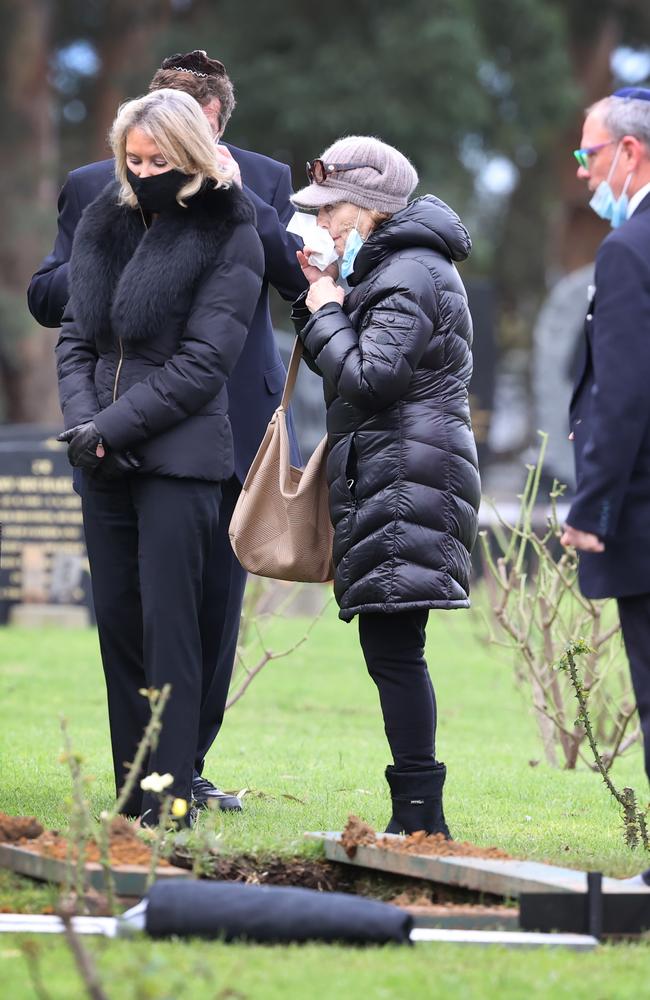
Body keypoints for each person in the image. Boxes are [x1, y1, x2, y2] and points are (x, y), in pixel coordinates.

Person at [28, 50, 306, 811]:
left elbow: (204, 358)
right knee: (119, 624)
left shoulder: (234, 225)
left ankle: (173, 786)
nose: (142, 171)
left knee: (184, 625)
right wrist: (87, 426)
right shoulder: (102, 217)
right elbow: (76, 332)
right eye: (132, 158)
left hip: (183, 451)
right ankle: (136, 791)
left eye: (157, 159)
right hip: (105, 453)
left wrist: (109, 425)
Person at [290, 137, 480, 836]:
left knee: (396, 649)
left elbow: (370, 377)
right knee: (391, 647)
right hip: (399, 470)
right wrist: (318, 302)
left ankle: (421, 819)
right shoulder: (393, 266)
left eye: (332, 208)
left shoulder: (411, 272)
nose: (324, 221)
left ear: (368, 209)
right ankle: (418, 816)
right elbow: (342, 365)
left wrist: (326, 306)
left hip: (408, 475)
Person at [562, 87, 650, 797]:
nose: (583, 173)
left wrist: (590, 508)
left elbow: (623, 394)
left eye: (588, 153)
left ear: (629, 151)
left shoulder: (628, 250)